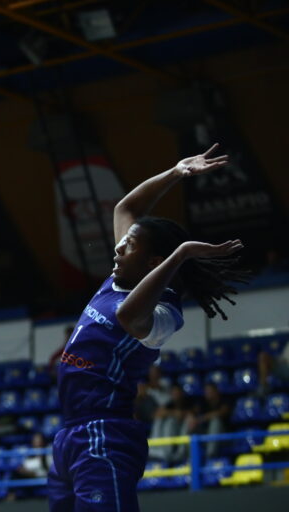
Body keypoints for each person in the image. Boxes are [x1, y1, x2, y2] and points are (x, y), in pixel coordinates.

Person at [48, 144, 248, 512]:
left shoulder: (164, 312)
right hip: (69, 434)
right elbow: (125, 209)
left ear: (155, 262)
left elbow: (128, 317)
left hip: (104, 434)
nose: (119, 248)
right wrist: (175, 172)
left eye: (129, 245)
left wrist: (181, 254)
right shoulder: (120, 277)